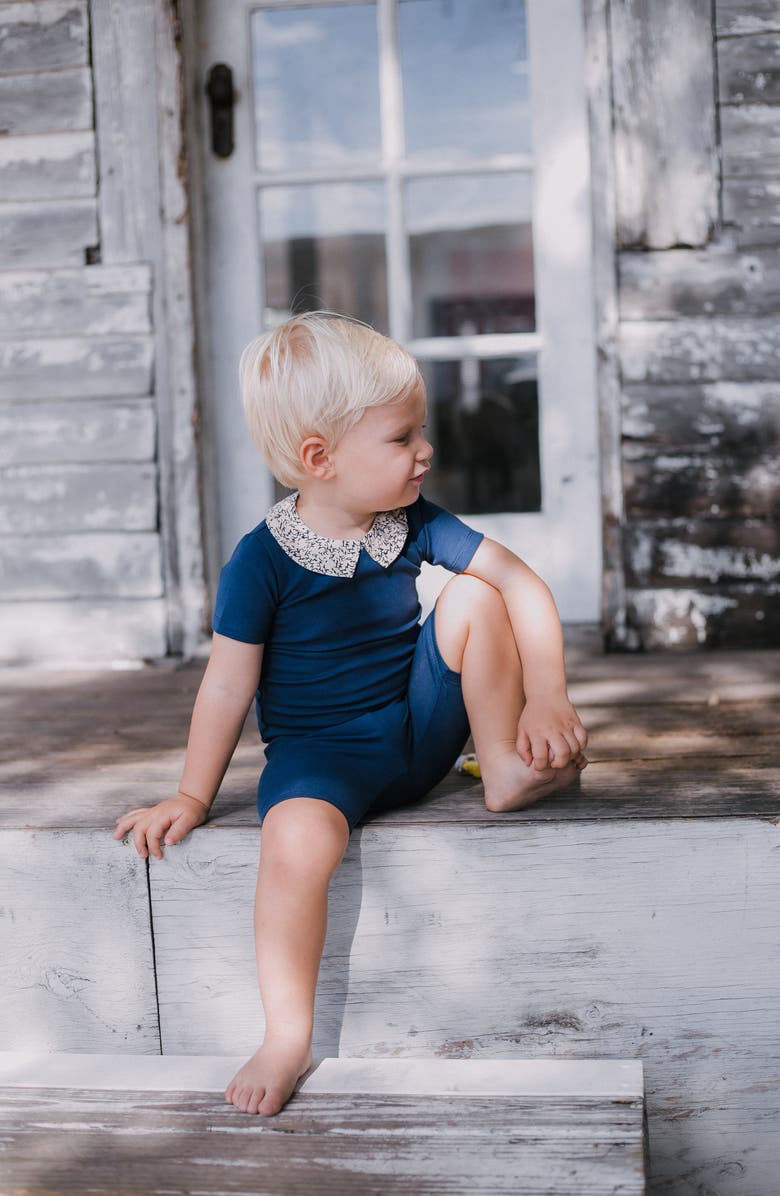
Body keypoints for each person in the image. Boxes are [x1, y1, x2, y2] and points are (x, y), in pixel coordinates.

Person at [113, 312, 588, 1117]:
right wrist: (194, 796)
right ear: (319, 459)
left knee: (476, 591)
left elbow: (525, 584)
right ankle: (286, 1035)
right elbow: (226, 688)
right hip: (321, 762)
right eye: (403, 438)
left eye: (420, 432)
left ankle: (505, 764)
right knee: (294, 842)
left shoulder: (415, 523)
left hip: (415, 732)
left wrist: (549, 694)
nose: (425, 451)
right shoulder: (259, 560)